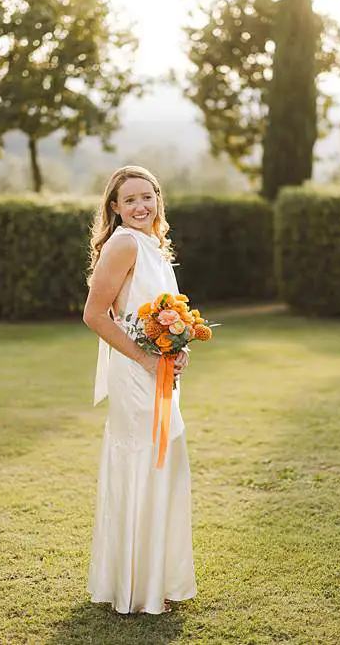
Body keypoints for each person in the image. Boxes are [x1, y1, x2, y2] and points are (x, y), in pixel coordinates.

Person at [81, 165, 198, 614]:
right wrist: (146, 359)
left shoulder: (154, 246)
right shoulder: (124, 243)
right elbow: (95, 315)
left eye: (147, 197)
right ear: (115, 207)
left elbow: (162, 315)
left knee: (163, 465)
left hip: (160, 371)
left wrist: (178, 350)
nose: (140, 206)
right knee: (143, 466)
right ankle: (133, 589)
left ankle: (157, 581)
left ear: (158, 200)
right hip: (135, 376)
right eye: (129, 200)